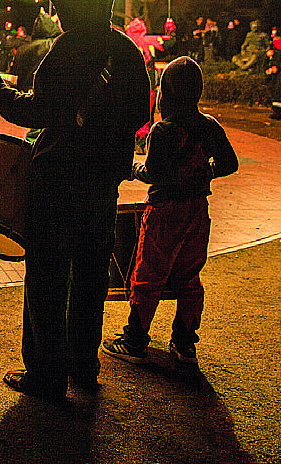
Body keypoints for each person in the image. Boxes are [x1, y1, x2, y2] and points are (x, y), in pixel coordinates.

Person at [0, 0, 149, 400]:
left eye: (60, 1)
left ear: (75, 6)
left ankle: (45, 375)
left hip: (56, 185)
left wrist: (0, 92)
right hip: (101, 188)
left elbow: (35, 112)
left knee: (48, 281)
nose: (53, 9)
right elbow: (138, 116)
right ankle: (83, 366)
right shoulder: (127, 53)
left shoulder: (66, 50)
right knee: (91, 279)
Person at [102, 56, 238, 366]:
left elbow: (154, 173)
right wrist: (204, 170)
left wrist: (132, 168)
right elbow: (230, 163)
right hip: (197, 211)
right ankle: (185, 343)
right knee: (189, 277)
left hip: (165, 212)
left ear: (168, 91)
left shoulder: (163, 130)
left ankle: (135, 340)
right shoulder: (209, 126)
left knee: (148, 274)